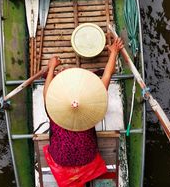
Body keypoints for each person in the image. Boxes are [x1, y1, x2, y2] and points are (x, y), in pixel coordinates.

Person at [43, 37, 124, 167]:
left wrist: (51, 67)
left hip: (59, 157)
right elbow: (107, 74)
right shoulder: (93, 99)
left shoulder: (52, 107)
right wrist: (114, 52)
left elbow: (47, 91)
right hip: (88, 156)